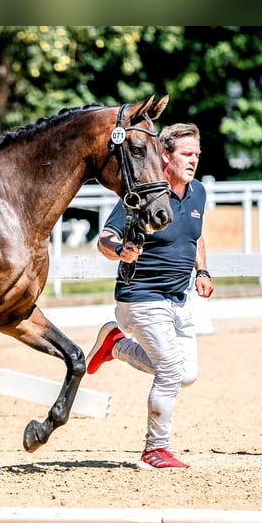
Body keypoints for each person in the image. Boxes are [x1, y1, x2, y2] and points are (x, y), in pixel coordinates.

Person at [86, 122, 214, 470]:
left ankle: (115, 345)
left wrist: (201, 271)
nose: (194, 161)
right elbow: (105, 239)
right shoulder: (141, 194)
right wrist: (120, 251)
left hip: (180, 297)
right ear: (165, 156)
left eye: (197, 155)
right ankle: (154, 450)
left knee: (186, 374)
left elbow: (196, 235)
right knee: (171, 370)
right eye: (187, 155)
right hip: (140, 296)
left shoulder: (199, 192)